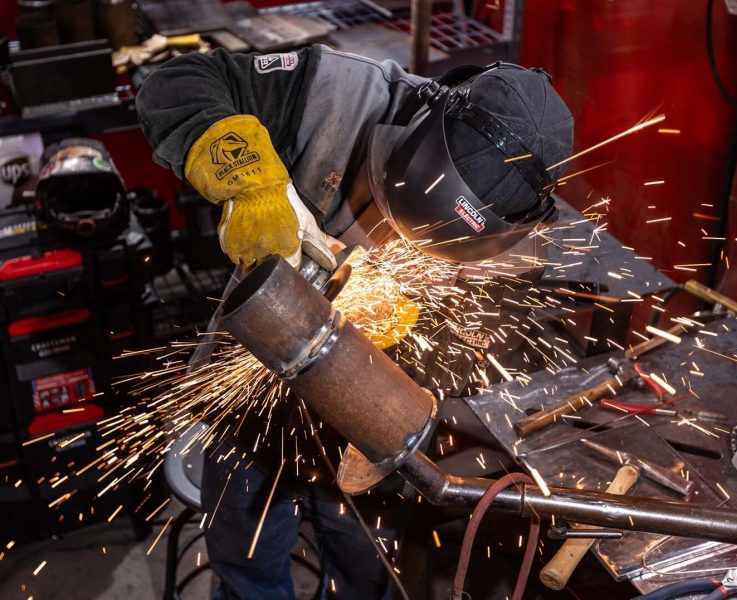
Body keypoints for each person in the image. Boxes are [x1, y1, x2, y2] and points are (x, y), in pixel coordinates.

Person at [136, 44, 573, 599]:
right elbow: (175, 82)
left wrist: (418, 347)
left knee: (370, 572)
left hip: (368, 424)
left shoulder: (513, 229)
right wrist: (250, 182)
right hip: (248, 398)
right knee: (248, 567)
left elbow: (479, 338)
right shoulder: (336, 94)